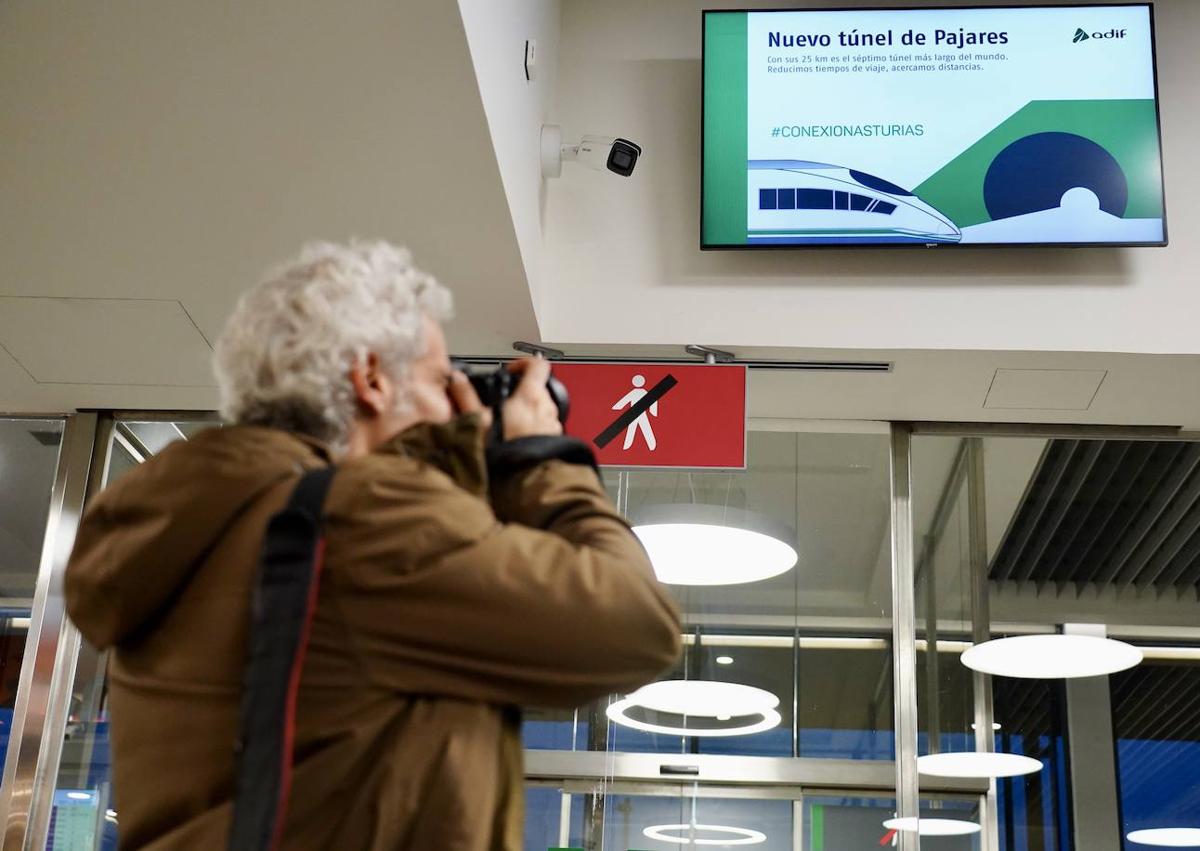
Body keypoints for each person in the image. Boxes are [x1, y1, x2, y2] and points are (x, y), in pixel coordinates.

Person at [64, 240, 682, 850]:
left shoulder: (209, 517)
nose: (455, 405)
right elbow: (635, 625)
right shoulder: (363, 522)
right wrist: (538, 456)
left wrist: (452, 470)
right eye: (443, 380)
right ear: (371, 380)